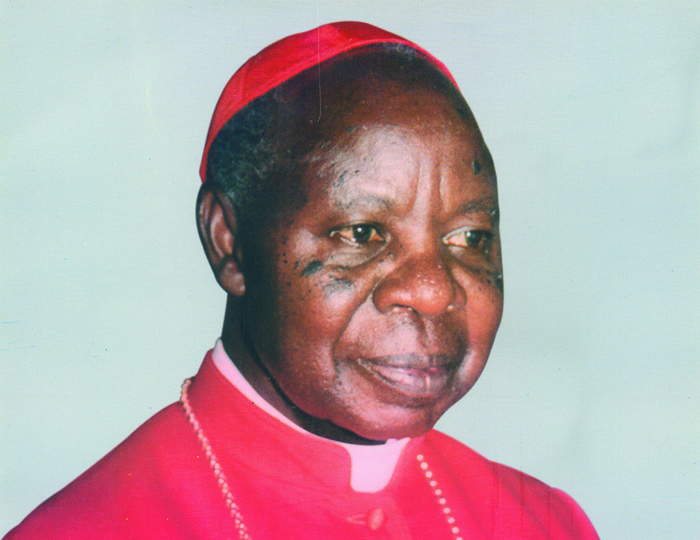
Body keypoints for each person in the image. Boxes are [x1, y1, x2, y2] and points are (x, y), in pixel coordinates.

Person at [4, 22, 598, 540]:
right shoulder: (83, 532)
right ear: (229, 241)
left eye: (469, 238)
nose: (433, 290)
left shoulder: (545, 524)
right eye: (364, 233)